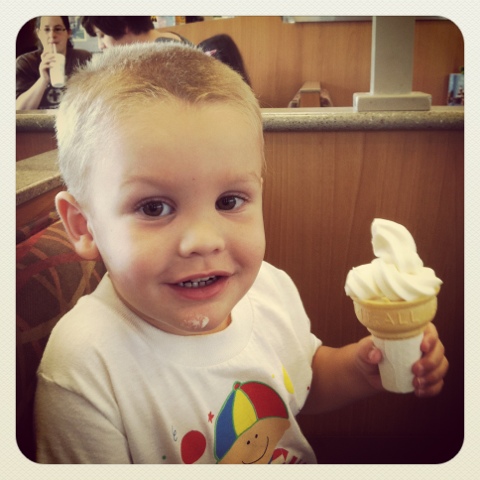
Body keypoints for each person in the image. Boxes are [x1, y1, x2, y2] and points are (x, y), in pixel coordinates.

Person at [34, 42, 448, 464]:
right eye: (154, 208)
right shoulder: (83, 364)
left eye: (229, 201)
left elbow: (301, 382)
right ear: (84, 226)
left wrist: (362, 368)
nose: (204, 240)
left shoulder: (268, 288)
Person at [16, 16, 92, 110]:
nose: (52, 35)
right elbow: (18, 110)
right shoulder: (26, 62)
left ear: (68, 33)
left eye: (58, 29)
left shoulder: (84, 58)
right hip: (38, 120)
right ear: (38, 33)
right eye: (46, 29)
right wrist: (43, 80)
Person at [80, 16, 192, 51]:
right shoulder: (165, 39)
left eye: (102, 35)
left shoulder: (163, 51)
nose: (100, 46)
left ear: (124, 26)